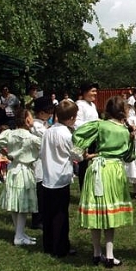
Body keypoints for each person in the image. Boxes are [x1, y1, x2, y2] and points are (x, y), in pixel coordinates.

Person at [73, 95, 135, 268]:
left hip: (97, 169)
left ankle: (96, 252)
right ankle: (109, 254)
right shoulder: (125, 131)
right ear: (123, 111)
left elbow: (77, 135)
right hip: (114, 171)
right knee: (109, 212)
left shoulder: (100, 125)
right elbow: (130, 157)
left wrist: (84, 153)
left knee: (97, 209)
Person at [41, 99, 83, 257]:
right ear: (71, 118)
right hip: (60, 178)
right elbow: (77, 155)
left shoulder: (48, 131)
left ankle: (48, 244)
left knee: (48, 214)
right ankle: (61, 247)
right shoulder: (67, 134)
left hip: (47, 177)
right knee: (60, 215)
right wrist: (83, 151)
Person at [0, 108, 42, 246]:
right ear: (27, 120)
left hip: (13, 169)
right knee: (22, 203)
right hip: (24, 170)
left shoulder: (9, 133)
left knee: (15, 202)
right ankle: (19, 236)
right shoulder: (32, 138)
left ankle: (19, 233)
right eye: (31, 117)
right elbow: (43, 148)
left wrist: (8, 154)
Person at [30, 96, 54, 230]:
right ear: (40, 113)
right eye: (48, 112)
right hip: (38, 161)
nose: (50, 115)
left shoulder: (44, 124)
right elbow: (47, 136)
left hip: (45, 161)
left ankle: (44, 216)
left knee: (45, 191)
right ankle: (37, 219)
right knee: (39, 192)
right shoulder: (36, 125)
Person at [74, 82, 100, 190]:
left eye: (95, 91)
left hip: (94, 139)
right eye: (92, 91)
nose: (95, 93)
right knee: (83, 166)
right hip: (85, 140)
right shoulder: (79, 105)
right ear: (85, 92)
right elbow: (77, 123)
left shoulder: (92, 105)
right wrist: (94, 125)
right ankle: (83, 190)